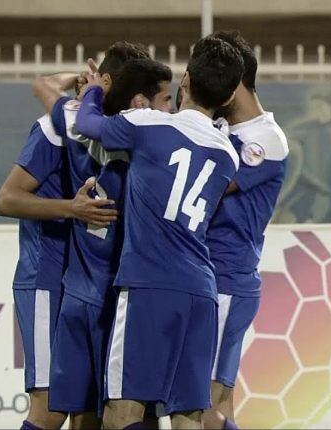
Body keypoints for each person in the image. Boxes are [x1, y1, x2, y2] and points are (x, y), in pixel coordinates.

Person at [75, 36, 244, 430]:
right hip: (201, 291)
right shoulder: (228, 154)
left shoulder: (147, 124)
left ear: (185, 81)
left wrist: (94, 91)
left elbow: (87, 124)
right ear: (229, 95)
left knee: (122, 413)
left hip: (149, 283)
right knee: (188, 416)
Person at [32, 52, 173, 429]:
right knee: (135, 411)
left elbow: (43, 85)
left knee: (75, 414)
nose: (172, 109)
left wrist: (93, 85)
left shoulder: (77, 126)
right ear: (140, 102)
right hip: (123, 299)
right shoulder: (152, 145)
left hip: (79, 292)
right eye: (166, 100)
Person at [0, 95, 120, 429]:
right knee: (49, 407)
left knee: (87, 409)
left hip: (86, 284)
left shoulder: (114, 135)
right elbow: (6, 200)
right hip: (46, 278)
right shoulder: (53, 129)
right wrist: (72, 209)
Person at [201, 30, 289, 430]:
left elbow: (210, 182)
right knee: (220, 400)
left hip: (226, 276)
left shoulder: (264, 139)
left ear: (233, 81)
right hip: (213, 275)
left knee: (204, 403)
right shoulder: (222, 128)